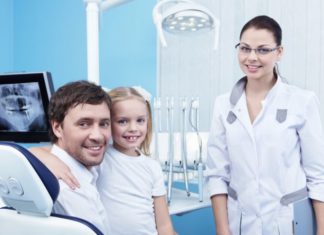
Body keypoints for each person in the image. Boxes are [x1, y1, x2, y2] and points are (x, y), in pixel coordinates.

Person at [205, 15, 324, 235]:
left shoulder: (302, 101)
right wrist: (223, 231)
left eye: (262, 50)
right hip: (240, 224)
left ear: (279, 52)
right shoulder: (223, 105)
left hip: (289, 224)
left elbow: (318, 176)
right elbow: (217, 175)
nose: (251, 57)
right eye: (245, 48)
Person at [31, 86, 176, 235]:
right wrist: (51, 160)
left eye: (140, 120)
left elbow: (164, 225)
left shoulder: (152, 166)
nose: (133, 128)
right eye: (122, 121)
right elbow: (36, 152)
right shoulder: (101, 155)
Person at [30, 80, 112, 234]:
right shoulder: (72, 189)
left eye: (104, 124)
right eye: (84, 124)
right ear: (57, 128)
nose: (98, 136)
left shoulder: (59, 159)